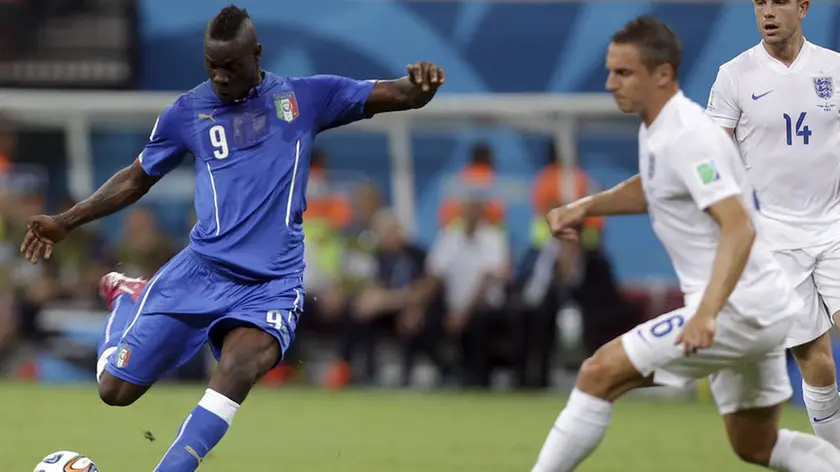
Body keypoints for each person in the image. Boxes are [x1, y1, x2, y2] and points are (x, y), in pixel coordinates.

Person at [18, 5, 445, 472]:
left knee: (238, 369)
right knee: (114, 391)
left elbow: (394, 93)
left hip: (271, 283)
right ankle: (128, 298)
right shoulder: (187, 112)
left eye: (232, 65)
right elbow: (135, 178)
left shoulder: (306, 99)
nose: (221, 77)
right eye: (212, 66)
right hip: (201, 269)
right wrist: (68, 220)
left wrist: (418, 91)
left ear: (256, 55)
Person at [530, 15, 840, 472]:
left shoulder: (688, 134)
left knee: (598, 373)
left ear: (662, 74)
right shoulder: (661, 129)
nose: (610, 83)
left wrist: (707, 313)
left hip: (738, 309)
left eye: (624, 73)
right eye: (610, 71)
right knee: (756, 445)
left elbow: (738, 226)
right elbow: (656, 186)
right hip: (761, 308)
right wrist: (585, 206)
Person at [706, 0, 840, 446]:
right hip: (776, 236)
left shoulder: (834, 69)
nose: (767, 10)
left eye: (779, 1)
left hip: (835, 224)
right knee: (816, 360)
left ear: (802, 7)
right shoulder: (735, 75)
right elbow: (710, 154)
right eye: (759, 1)